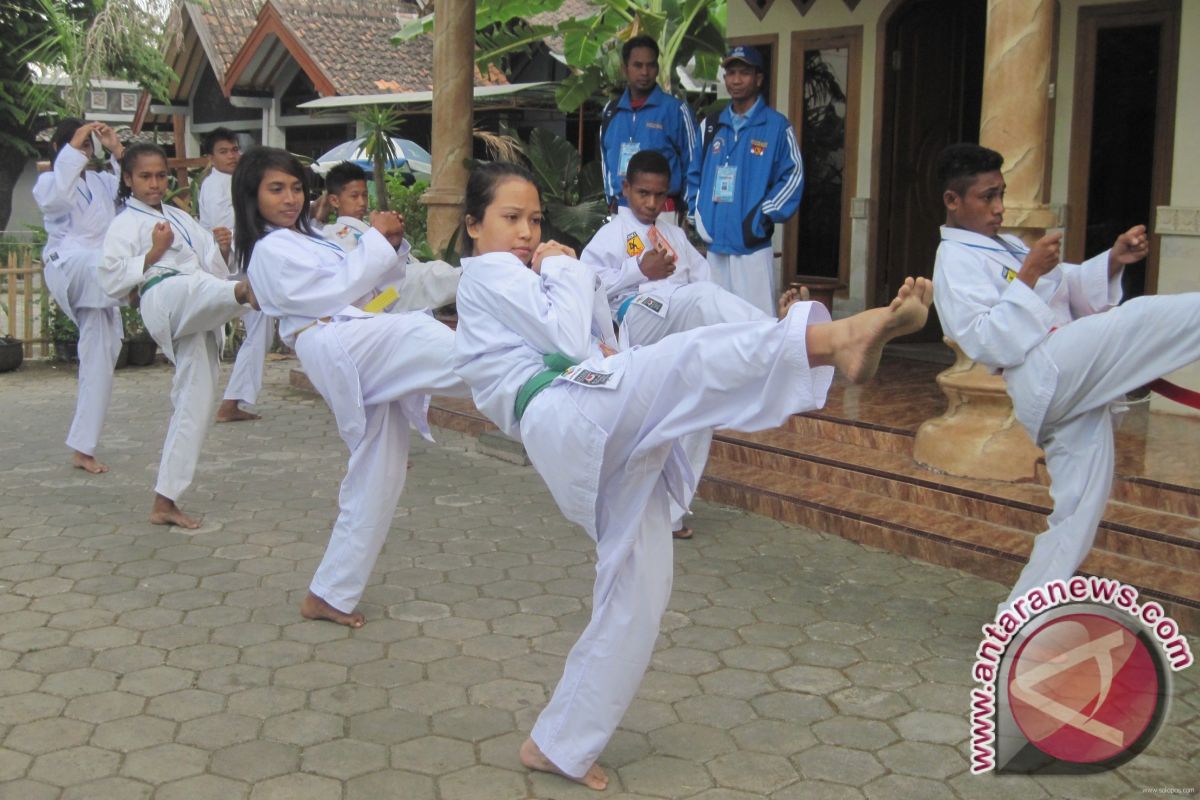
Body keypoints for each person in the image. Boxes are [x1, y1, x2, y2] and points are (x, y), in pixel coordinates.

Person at [452, 161, 932, 790]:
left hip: (587, 409)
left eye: (535, 219)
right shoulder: (488, 274)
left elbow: (588, 336)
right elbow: (567, 338)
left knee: (641, 590)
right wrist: (562, 265)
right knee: (684, 363)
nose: (526, 232)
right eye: (510, 218)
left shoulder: (526, 277)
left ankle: (559, 744)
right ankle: (834, 339)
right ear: (473, 226)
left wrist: (569, 288)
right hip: (564, 411)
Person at [931, 143, 1199, 614]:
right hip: (1042, 369)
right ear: (953, 201)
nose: (998, 208)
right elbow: (986, 341)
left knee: (1078, 510)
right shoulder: (954, 262)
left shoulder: (1005, 243)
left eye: (1001, 195)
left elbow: (1069, 285)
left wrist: (1113, 260)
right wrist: (1028, 275)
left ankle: (1018, 621)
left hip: (1065, 378)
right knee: (1142, 319)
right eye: (987, 197)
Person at [235, 147, 470, 628]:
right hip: (334, 338)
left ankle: (331, 593)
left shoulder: (311, 237)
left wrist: (393, 244)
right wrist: (377, 243)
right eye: (276, 189)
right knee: (424, 336)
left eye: (296, 188)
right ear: (251, 196)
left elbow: (375, 282)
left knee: (378, 475)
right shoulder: (267, 251)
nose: (290, 198)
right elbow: (334, 289)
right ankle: (531, 369)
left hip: (352, 331)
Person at [581, 149, 784, 540]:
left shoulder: (674, 235)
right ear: (625, 189)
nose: (652, 203)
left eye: (660, 195)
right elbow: (585, 287)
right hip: (636, 319)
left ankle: (670, 513)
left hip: (678, 327)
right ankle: (777, 335)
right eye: (643, 193)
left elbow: (705, 278)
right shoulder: (612, 234)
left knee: (698, 404)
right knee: (699, 299)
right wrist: (638, 269)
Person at [100, 144, 258, 529]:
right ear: (128, 180)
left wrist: (220, 249)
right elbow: (109, 278)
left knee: (195, 404)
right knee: (210, 290)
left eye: (160, 176)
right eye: (145, 177)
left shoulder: (181, 217)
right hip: (164, 296)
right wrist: (153, 254)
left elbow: (212, 265)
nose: (155, 184)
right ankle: (247, 293)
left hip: (202, 302)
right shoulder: (124, 224)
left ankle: (164, 500)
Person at [32, 119, 125, 474]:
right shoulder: (49, 182)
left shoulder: (102, 182)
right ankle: (137, 288)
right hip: (68, 263)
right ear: (61, 149)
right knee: (101, 265)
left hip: (100, 275)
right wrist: (74, 144)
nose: (85, 151)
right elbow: (56, 200)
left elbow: (131, 189)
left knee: (101, 353)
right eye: (78, 146)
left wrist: (115, 149)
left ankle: (83, 446)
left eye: (88, 147)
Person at [686, 44, 803, 317]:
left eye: (744, 73)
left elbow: (793, 176)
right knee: (714, 325)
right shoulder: (711, 126)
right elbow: (693, 174)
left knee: (757, 326)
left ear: (758, 79)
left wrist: (763, 216)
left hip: (752, 248)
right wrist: (698, 214)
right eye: (731, 73)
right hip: (714, 248)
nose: (736, 80)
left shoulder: (776, 127)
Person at [197, 127, 273, 424]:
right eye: (224, 151)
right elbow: (221, 231)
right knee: (255, 328)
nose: (232, 156)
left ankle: (231, 402)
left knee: (261, 328)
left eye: (234, 150)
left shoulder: (236, 182)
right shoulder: (215, 187)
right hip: (229, 265)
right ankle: (228, 402)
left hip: (243, 262)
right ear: (210, 157)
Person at [319, 161, 461, 313]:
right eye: (354, 196)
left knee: (429, 271)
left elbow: (403, 263)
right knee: (424, 276)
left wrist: (395, 242)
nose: (362, 202)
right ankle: (469, 278)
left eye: (365, 195)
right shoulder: (331, 234)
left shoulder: (370, 225)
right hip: (374, 304)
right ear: (335, 200)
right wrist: (377, 234)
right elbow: (357, 273)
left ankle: (467, 278)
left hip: (394, 289)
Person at [599, 34, 696, 219]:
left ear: (658, 69)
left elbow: (692, 163)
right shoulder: (611, 112)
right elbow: (605, 159)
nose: (645, 72)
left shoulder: (676, 110)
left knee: (659, 250)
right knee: (632, 249)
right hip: (622, 211)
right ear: (624, 69)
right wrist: (611, 199)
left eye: (651, 65)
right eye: (638, 65)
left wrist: (686, 210)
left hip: (663, 211)